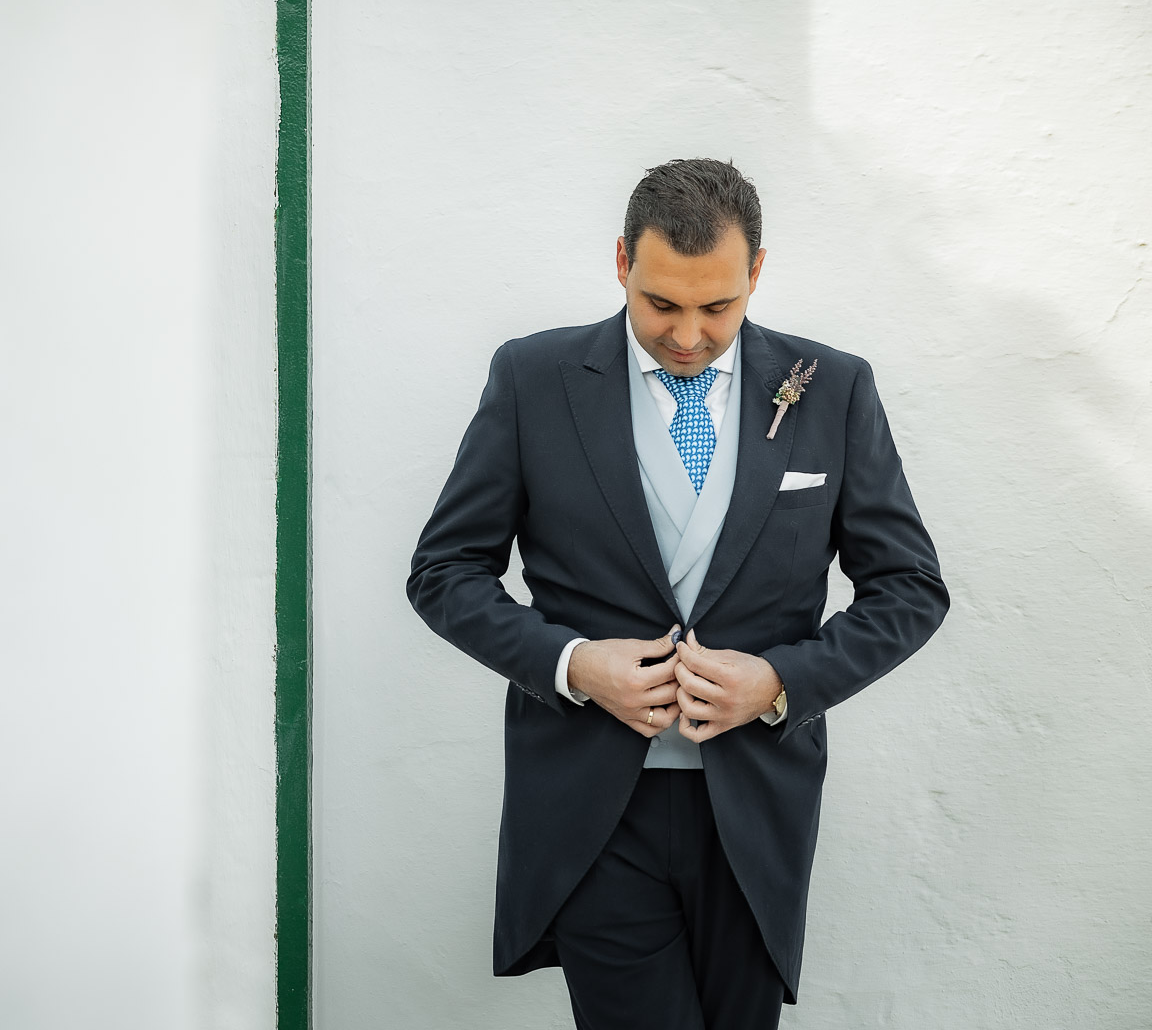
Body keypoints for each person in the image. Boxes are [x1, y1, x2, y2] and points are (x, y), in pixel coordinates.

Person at [405, 158, 949, 1029]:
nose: (689, 335)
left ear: (756, 274)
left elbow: (910, 589)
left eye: (718, 307)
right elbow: (443, 572)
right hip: (590, 812)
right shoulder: (533, 378)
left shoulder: (832, 387)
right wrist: (575, 665)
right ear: (622, 261)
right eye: (662, 304)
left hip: (756, 809)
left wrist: (779, 682)